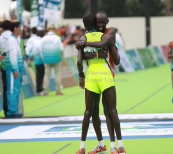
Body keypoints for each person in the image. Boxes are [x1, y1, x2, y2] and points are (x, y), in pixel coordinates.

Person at [76, 13, 126, 154]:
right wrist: (95, 54)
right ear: (95, 22)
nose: (101, 25)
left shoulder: (108, 33)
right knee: (102, 111)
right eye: (98, 22)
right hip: (102, 73)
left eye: (103, 23)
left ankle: (110, 146)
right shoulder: (97, 35)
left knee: (102, 111)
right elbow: (83, 57)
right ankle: (106, 145)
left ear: (107, 22)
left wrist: (83, 43)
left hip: (99, 72)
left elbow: (80, 60)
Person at [5, 22, 24, 118]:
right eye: (19, 27)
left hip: (16, 69)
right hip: (13, 70)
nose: (20, 29)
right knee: (12, 90)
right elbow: (12, 56)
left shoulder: (15, 39)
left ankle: (14, 110)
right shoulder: (11, 40)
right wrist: (15, 69)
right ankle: (11, 111)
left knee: (15, 90)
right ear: (15, 28)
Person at [41, 25, 64, 96]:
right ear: (54, 30)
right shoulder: (57, 38)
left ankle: (45, 91)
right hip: (56, 58)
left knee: (46, 75)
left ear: (48, 30)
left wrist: (43, 58)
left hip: (47, 59)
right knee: (57, 74)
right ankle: (57, 91)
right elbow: (61, 49)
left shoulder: (44, 38)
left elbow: (41, 49)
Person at [26, 29, 45, 95]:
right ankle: (39, 89)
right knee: (40, 75)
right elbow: (41, 52)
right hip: (41, 61)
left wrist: (29, 55)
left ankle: (39, 88)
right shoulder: (40, 41)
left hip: (36, 60)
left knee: (39, 75)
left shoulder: (34, 40)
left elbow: (30, 49)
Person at [0, 20, 12, 117]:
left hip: (3, 66)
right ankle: (12, 110)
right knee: (12, 89)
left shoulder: (1, 38)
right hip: (12, 66)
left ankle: (7, 111)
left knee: (5, 89)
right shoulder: (14, 37)